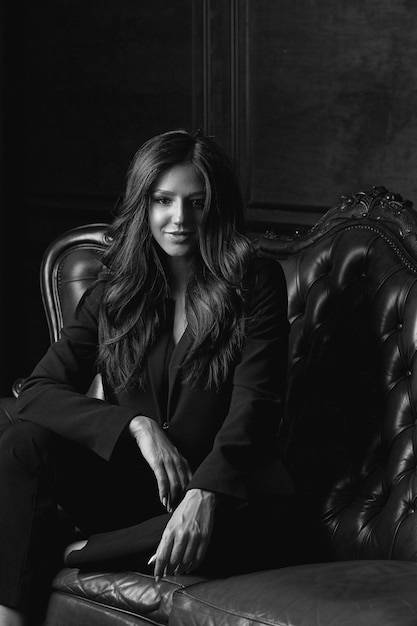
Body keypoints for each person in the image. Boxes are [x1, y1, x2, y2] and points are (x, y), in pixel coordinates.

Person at [0, 129, 293, 626]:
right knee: (19, 442)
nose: (180, 219)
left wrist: (205, 494)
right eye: (164, 201)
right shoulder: (114, 292)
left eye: (197, 203)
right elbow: (37, 391)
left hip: (221, 494)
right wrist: (135, 426)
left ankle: (71, 550)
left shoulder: (255, 283)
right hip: (136, 494)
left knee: (239, 518)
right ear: (145, 204)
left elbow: (256, 405)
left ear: (215, 207)